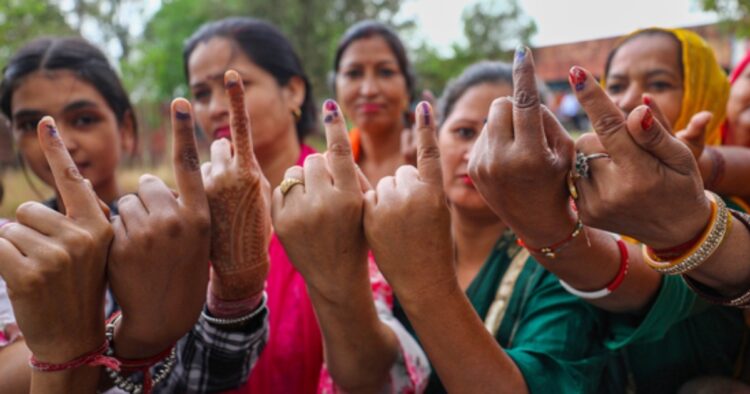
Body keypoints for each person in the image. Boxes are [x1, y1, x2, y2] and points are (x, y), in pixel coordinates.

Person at [468, 45, 747, 393]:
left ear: (706, 94)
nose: (629, 99)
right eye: (614, 85)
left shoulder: (732, 205)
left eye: (658, 84)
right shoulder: (587, 201)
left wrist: (549, 227)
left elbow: (653, 287)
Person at [0, 37, 268, 393]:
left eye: (83, 119)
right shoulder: (12, 247)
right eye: (31, 125)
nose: (62, 142)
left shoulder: (170, 231)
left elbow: (209, 376)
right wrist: (135, 336)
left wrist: (236, 287)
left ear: (125, 130)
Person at [184, 17, 426, 393]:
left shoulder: (343, 196)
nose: (216, 107)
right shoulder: (191, 212)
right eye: (200, 93)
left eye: (239, 85)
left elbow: (375, 370)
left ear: (293, 91)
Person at [332, 20, 415, 184]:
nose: (369, 90)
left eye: (385, 72)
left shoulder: (437, 159)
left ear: (408, 87)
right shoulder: (330, 167)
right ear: (336, 86)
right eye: (354, 73)